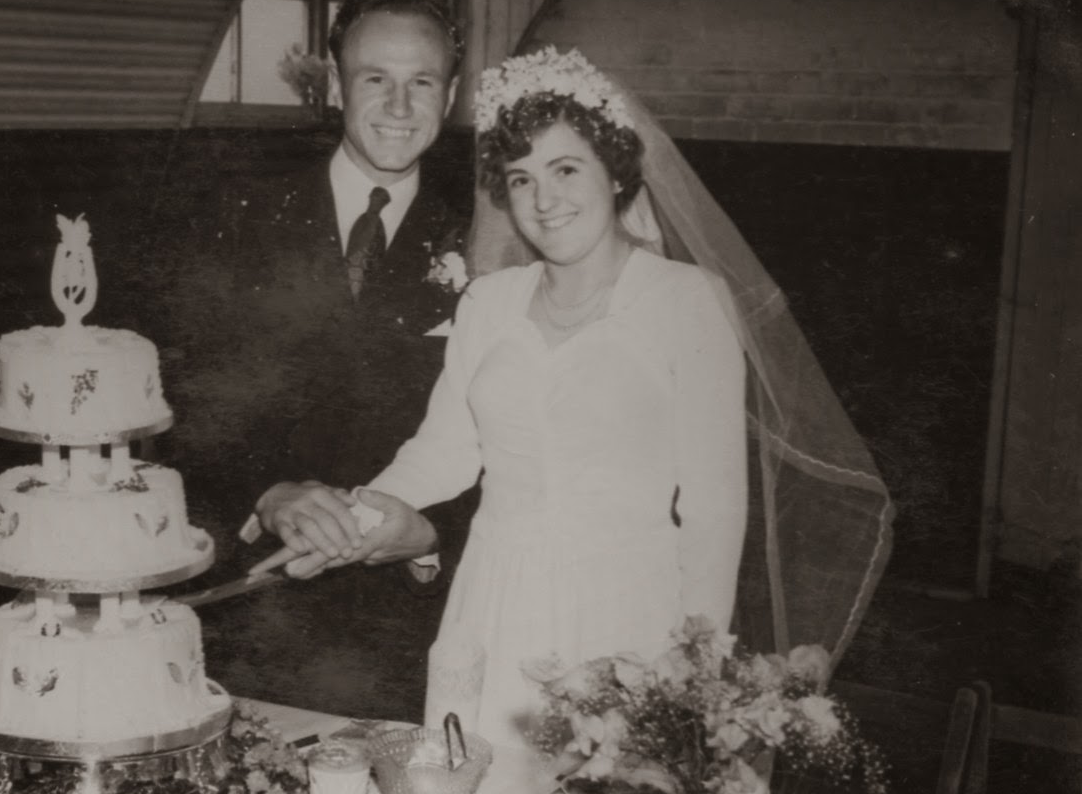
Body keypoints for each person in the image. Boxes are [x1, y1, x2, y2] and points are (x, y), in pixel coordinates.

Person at [262, 46, 896, 748]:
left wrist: (696, 666)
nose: (543, 200)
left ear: (616, 174)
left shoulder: (688, 302)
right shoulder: (488, 302)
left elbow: (714, 508)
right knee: (478, 786)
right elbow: (442, 451)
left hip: (626, 609)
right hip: (493, 599)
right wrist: (351, 521)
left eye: (566, 170)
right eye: (521, 178)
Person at [203, 0, 475, 578]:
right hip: (257, 584)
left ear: (451, 95)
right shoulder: (239, 217)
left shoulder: (485, 242)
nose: (399, 107)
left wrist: (433, 534)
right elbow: (192, 401)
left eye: (422, 82)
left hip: (411, 596)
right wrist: (267, 492)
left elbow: (517, 439)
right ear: (334, 85)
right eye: (375, 79)